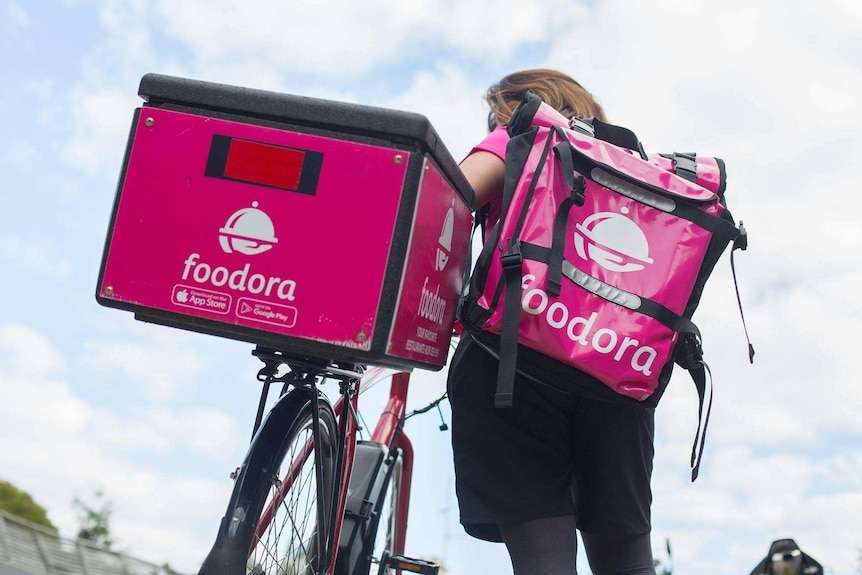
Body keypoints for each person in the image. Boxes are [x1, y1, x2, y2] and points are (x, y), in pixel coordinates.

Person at [448, 69, 656, 575]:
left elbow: (444, 199)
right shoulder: (637, 169)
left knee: (545, 564)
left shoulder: (522, 138)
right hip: (618, 368)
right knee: (627, 561)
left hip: (514, 365)